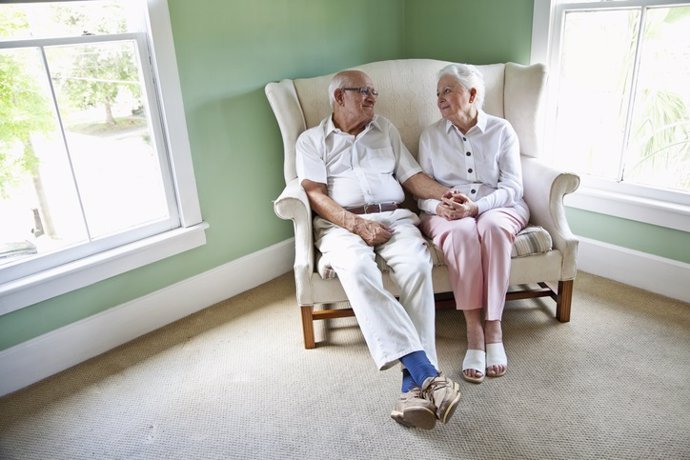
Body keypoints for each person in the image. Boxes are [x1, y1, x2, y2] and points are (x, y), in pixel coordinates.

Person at [295, 69, 461, 429]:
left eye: (374, 92)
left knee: (417, 266)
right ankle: (428, 375)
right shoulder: (311, 140)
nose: (372, 98)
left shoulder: (385, 129)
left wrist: (444, 195)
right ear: (339, 97)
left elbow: (411, 177)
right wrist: (356, 224)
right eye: (363, 92)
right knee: (356, 269)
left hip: (396, 218)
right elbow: (314, 193)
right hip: (342, 225)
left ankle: (413, 388)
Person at [417, 63, 530, 384]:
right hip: (449, 214)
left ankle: (494, 323)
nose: (440, 99)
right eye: (438, 93)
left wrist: (478, 206)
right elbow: (420, 190)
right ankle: (473, 329)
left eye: (448, 90)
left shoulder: (501, 130)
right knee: (464, 234)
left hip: (499, 205)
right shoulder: (430, 136)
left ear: (473, 94)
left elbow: (513, 187)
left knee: (492, 227)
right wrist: (438, 206)